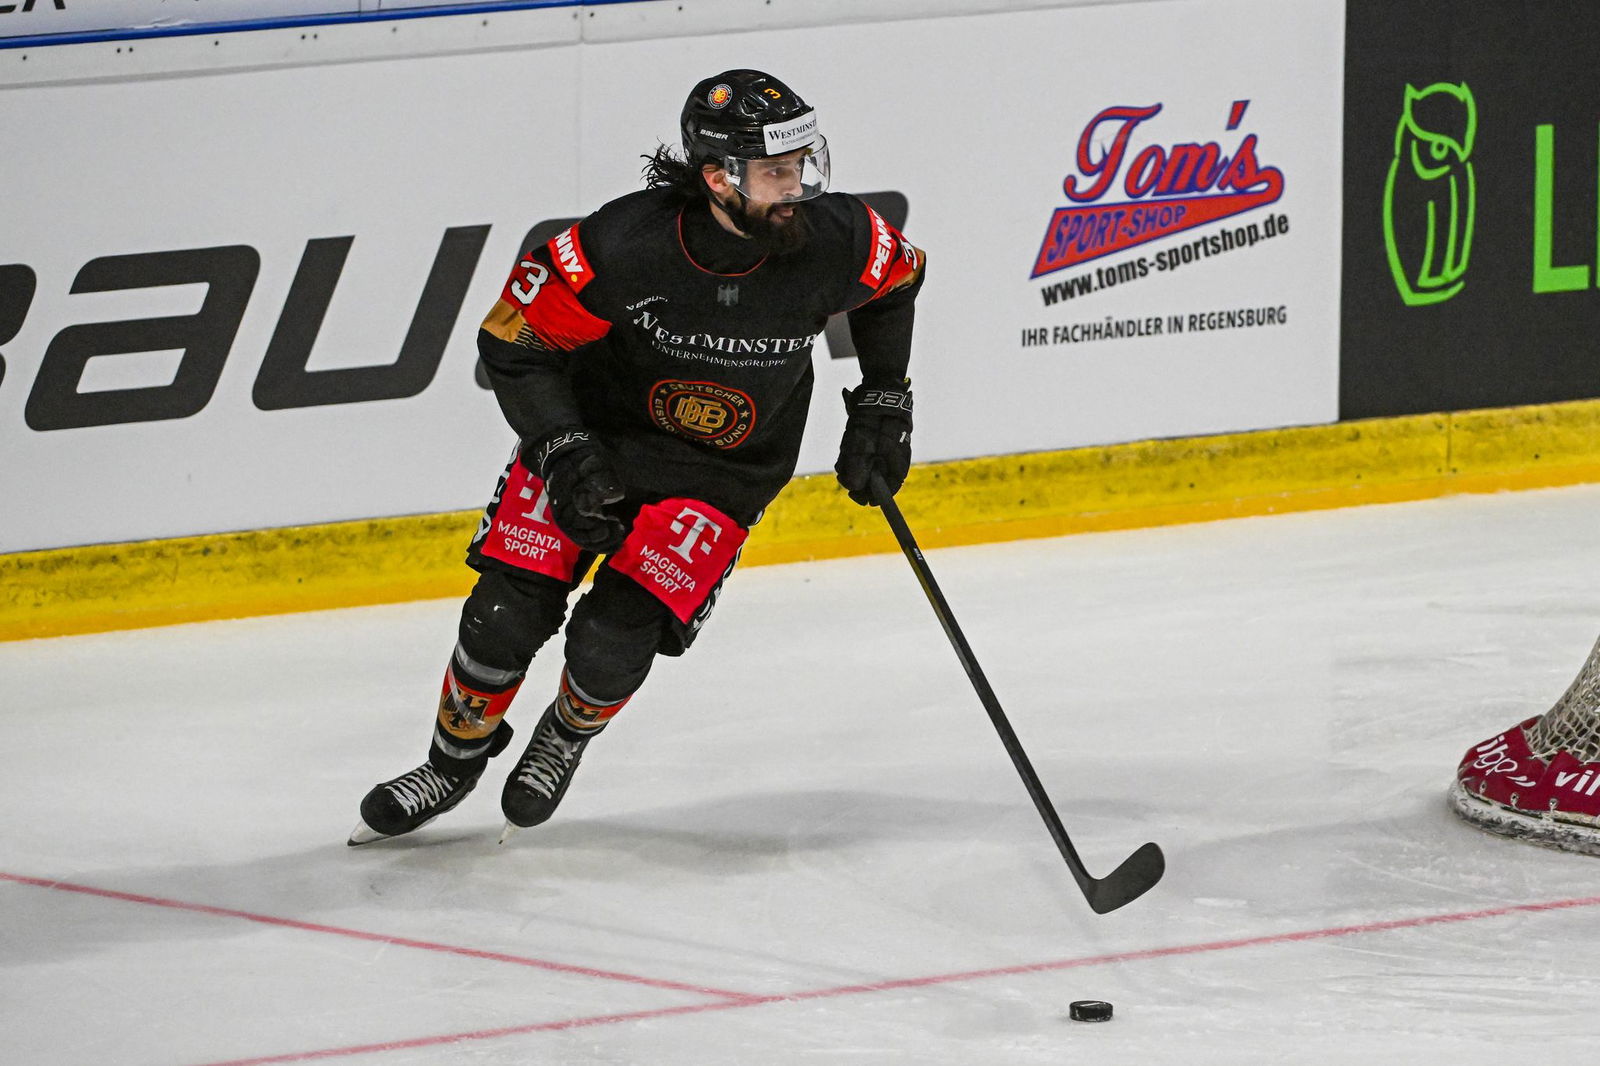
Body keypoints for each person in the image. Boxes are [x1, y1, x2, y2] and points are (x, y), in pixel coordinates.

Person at [349, 69, 926, 845]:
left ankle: (565, 733)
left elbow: (899, 281)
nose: (800, 188)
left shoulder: (835, 238)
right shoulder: (622, 245)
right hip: (600, 441)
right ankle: (454, 762)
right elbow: (511, 343)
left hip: (726, 473)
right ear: (719, 177)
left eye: (803, 164)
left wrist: (886, 400)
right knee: (503, 615)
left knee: (612, 641)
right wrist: (562, 451)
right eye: (778, 172)